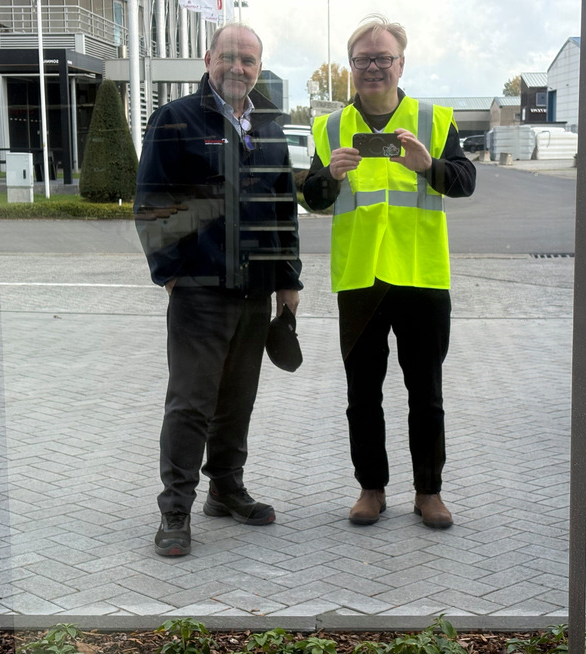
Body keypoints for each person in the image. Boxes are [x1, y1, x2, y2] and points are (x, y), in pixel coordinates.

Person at [134, 23, 302, 556]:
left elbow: (282, 211)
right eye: (228, 57)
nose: (238, 67)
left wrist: (288, 280)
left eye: (248, 60)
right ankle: (175, 509)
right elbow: (151, 202)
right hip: (200, 291)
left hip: (255, 291)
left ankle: (226, 490)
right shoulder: (176, 120)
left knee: (237, 400)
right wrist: (172, 272)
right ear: (208, 59)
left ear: (259, 66)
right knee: (190, 403)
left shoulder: (270, 127)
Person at [303, 14, 475, 529]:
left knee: (426, 393)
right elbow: (311, 198)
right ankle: (371, 489)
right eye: (363, 60)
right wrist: (329, 177)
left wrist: (428, 166)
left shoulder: (433, 120)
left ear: (401, 63)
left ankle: (429, 492)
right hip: (359, 279)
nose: (373, 67)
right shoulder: (329, 126)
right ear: (351, 67)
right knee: (362, 395)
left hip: (421, 277)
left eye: (383, 58)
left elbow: (464, 181)